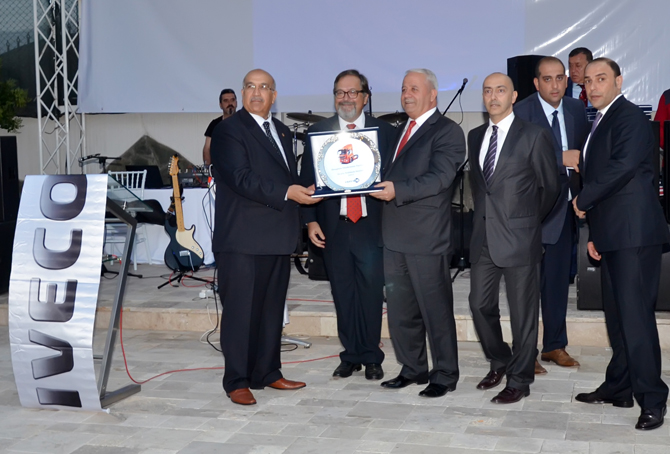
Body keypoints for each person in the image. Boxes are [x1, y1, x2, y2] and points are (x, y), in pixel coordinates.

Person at [210, 69, 320, 406]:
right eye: (250, 86)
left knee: (271, 311)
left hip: (277, 237)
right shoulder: (228, 130)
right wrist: (289, 193)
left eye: (264, 87)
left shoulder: (282, 132)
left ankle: (268, 372)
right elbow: (241, 178)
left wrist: (308, 214)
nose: (256, 92)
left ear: (274, 95)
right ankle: (237, 380)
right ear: (243, 92)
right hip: (242, 240)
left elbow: (290, 178)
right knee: (240, 313)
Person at [573, 58, 669, 431]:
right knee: (617, 318)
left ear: (619, 81)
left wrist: (582, 200)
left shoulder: (629, 117)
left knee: (636, 318)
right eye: (588, 81)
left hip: (634, 236)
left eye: (602, 79)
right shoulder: (601, 119)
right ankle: (620, 386)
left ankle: (653, 399)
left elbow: (621, 169)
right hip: (614, 234)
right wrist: (597, 234)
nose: (593, 86)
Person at [369, 69, 465, 398]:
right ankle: (413, 368)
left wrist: (398, 190)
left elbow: (440, 178)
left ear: (433, 94)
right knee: (401, 311)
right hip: (394, 236)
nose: (406, 94)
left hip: (427, 237)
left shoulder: (448, 131)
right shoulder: (402, 130)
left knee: (435, 311)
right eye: (403, 89)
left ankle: (446, 374)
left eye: (414, 88)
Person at [468, 72, 559, 404]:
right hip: (484, 238)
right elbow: (481, 188)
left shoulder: (533, 135)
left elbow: (550, 187)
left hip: (520, 238)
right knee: (479, 305)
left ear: (514, 96)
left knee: (523, 315)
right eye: (487, 91)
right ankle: (500, 360)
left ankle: (520, 379)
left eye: (500, 90)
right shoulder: (475, 136)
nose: (493, 97)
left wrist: (528, 221)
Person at [299, 70, 396, 381]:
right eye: (340, 93)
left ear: (365, 97)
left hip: (371, 226)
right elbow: (306, 181)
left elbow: (396, 180)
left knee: (371, 294)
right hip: (334, 227)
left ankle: (371, 356)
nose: (346, 98)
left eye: (353, 92)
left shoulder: (385, 132)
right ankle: (350, 355)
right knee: (342, 293)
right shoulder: (318, 133)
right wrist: (310, 221)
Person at [513, 57, 589, 374]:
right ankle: (526, 352)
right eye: (547, 79)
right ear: (536, 83)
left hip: (565, 211)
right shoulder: (521, 112)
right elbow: (516, 159)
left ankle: (554, 345)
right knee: (527, 287)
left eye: (560, 78)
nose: (555, 85)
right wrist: (560, 158)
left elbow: (582, 155)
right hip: (532, 213)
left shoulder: (575, 109)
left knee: (557, 283)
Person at [203, 88, 237, 165]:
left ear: (236, 103)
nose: (230, 103)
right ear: (220, 105)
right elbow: (207, 148)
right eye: (226, 101)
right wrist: (208, 167)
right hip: (219, 168)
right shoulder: (215, 124)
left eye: (232, 100)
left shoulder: (245, 122)